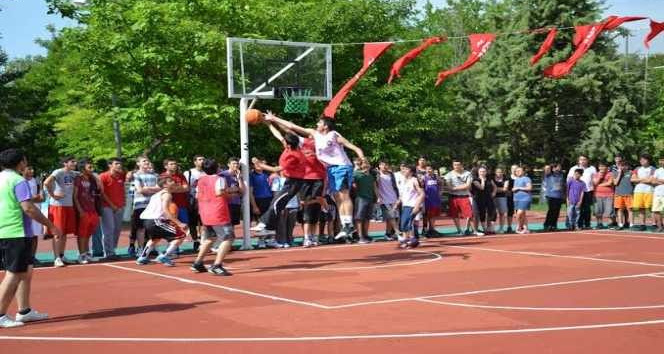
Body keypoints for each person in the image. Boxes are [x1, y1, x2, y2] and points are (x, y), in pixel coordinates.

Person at [262, 112, 365, 239]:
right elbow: (292, 127)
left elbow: (354, 147)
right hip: (330, 169)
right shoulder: (314, 135)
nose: (317, 124)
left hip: (342, 166)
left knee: (344, 195)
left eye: (320, 123)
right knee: (337, 197)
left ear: (326, 126)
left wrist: (362, 158)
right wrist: (273, 119)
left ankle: (348, 224)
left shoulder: (333, 135)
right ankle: (346, 225)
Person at [0, 148, 63, 328]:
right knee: (14, 274)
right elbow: (28, 208)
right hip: (16, 231)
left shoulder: (1, 178)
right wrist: (51, 225)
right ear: (21, 162)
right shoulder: (18, 181)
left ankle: (24, 311)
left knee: (25, 272)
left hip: (6, 230)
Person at [250, 125, 308, 236]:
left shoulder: (294, 156)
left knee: (276, 203)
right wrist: (268, 123)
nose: (283, 142)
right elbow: (278, 136)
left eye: (285, 142)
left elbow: (275, 169)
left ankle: (264, 223)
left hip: (294, 183)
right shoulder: (290, 147)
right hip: (290, 181)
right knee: (277, 203)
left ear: (289, 144)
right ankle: (270, 227)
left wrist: (259, 164)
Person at [190, 158, 234, 276]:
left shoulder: (200, 180)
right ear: (217, 168)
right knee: (228, 237)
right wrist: (231, 193)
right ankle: (217, 265)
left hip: (205, 211)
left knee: (210, 238)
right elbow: (219, 192)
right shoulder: (219, 179)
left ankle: (198, 263)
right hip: (218, 212)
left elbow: (197, 195)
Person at [136, 176, 188, 267]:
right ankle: (164, 256)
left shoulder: (156, 194)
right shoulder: (167, 194)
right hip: (156, 221)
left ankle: (142, 258)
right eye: (170, 181)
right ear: (164, 185)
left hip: (148, 221)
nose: (173, 182)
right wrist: (179, 223)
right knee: (181, 235)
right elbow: (165, 210)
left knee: (155, 239)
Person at [43, 156, 78, 267]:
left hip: (69, 205)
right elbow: (46, 183)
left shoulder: (73, 173)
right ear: (65, 163)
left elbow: (85, 174)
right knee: (58, 233)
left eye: (75, 161)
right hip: (58, 206)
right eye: (72, 161)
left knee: (64, 233)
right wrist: (53, 195)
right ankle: (56, 258)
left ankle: (62, 255)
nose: (75, 163)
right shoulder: (58, 172)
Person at [129, 156, 160, 257]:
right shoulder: (136, 175)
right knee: (141, 228)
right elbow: (140, 190)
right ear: (138, 163)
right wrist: (151, 189)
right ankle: (140, 249)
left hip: (153, 205)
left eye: (147, 160)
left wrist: (147, 188)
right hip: (140, 205)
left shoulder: (155, 175)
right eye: (144, 161)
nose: (147, 162)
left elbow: (159, 188)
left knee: (153, 228)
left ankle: (151, 248)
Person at [72, 159, 101, 264]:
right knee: (82, 234)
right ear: (82, 168)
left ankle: (87, 253)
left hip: (92, 209)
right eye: (90, 167)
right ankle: (81, 255)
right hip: (83, 210)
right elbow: (75, 196)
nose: (92, 169)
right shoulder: (78, 179)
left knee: (89, 232)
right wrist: (80, 210)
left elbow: (99, 190)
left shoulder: (92, 179)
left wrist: (96, 178)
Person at [99, 158, 127, 260]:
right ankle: (109, 253)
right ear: (110, 165)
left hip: (119, 206)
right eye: (116, 163)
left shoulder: (121, 176)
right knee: (109, 229)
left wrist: (122, 204)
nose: (119, 165)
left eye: (120, 163)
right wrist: (112, 205)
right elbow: (101, 193)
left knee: (117, 229)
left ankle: (112, 250)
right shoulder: (103, 176)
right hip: (107, 207)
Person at [444, 160, 479, 236]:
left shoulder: (467, 173)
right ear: (453, 166)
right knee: (455, 215)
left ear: (461, 165)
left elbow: (468, 186)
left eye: (458, 165)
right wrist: (461, 187)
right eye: (455, 165)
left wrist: (454, 188)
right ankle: (459, 230)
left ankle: (474, 231)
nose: (456, 166)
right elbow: (449, 186)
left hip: (465, 196)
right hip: (453, 197)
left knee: (469, 214)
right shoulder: (449, 175)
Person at [395, 165, 424, 248]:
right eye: (403, 169)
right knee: (404, 224)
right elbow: (402, 194)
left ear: (411, 171)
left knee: (406, 224)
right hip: (405, 205)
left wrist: (417, 206)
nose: (403, 170)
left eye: (406, 169)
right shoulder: (404, 181)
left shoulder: (414, 180)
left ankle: (410, 240)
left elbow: (422, 194)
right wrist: (398, 202)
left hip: (412, 205)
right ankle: (410, 240)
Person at [566, 155, 596, 229]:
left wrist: (594, 188)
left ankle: (587, 224)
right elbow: (568, 181)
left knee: (586, 209)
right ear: (578, 161)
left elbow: (594, 179)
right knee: (572, 210)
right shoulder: (573, 168)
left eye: (584, 159)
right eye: (581, 159)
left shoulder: (592, 168)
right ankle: (574, 225)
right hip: (575, 193)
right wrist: (567, 197)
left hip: (588, 191)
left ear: (587, 160)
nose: (582, 161)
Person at [21, 166, 44, 260]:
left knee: (35, 235)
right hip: (25, 211)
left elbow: (41, 197)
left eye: (32, 169)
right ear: (23, 170)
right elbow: (24, 198)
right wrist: (33, 198)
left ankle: (33, 256)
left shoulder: (36, 180)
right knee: (25, 236)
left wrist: (40, 197)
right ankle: (24, 256)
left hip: (36, 209)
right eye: (29, 169)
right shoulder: (20, 181)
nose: (32, 171)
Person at [353, 158, 377, 244]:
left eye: (367, 163)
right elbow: (353, 185)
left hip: (370, 198)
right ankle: (360, 236)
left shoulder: (371, 176)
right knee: (359, 218)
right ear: (360, 165)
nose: (366, 165)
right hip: (360, 198)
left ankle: (366, 235)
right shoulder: (356, 174)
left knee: (367, 218)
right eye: (364, 163)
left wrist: (377, 197)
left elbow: (374, 187)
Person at [184, 155, 205, 252]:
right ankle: (195, 240)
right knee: (192, 222)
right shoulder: (188, 173)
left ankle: (203, 241)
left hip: (204, 199)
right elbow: (185, 187)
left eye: (203, 159)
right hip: (192, 199)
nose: (202, 161)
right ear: (195, 162)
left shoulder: (206, 172)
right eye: (200, 160)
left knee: (204, 222)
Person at [630, 153, 656, 231]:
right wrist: (644, 179)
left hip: (649, 191)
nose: (641, 161)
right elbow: (632, 179)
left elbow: (650, 180)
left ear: (648, 160)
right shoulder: (637, 169)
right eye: (640, 159)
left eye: (643, 159)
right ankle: (642, 224)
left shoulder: (653, 169)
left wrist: (639, 179)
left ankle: (654, 224)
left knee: (651, 208)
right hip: (638, 191)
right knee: (641, 208)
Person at [376, 161, 399, 240]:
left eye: (386, 164)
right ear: (379, 166)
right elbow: (375, 186)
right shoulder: (377, 174)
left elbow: (395, 186)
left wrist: (398, 196)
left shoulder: (391, 174)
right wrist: (378, 197)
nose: (385, 166)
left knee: (392, 217)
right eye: (383, 165)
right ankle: (398, 232)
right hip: (384, 199)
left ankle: (388, 233)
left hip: (394, 198)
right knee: (391, 216)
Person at [219, 158, 245, 227]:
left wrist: (239, 178)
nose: (236, 165)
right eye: (234, 163)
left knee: (233, 224)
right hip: (226, 203)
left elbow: (242, 191)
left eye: (237, 164)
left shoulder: (239, 175)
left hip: (236, 203)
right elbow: (223, 189)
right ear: (228, 165)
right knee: (225, 225)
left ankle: (232, 237)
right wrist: (236, 189)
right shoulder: (222, 175)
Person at [472, 166, 497, 234]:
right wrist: (482, 180)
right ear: (478, 172)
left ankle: (490, 228)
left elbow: (495, 187)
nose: (482, 173)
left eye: (484, 171)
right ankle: (484, 229)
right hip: (479, 198)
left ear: (486, 172)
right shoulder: (475, 180)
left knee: (493, 212)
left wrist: (494, 192)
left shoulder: (489, 179)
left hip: (489, 197)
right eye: (480, 171)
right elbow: (482, 188)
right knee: (482, 213)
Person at [542, 163, 565, 231]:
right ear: (553, 168)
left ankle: (554, 225)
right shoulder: (549, 175)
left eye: (560, 167)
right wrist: (551, 167)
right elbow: (546, 170)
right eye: (558, 167)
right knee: (551, 210)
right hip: (551, 195)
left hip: (559, 196)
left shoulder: (561, 175)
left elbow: (562, 185)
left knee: (557, 211)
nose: (559, 168)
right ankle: (547, 224)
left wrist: (563, 195)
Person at [612, 160, 634, 230]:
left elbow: (634, 181)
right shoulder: (615, 173)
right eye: (621, 165)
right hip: (619, 194)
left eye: (624, 165)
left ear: (627, 166)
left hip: (628, 194)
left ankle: (631, 224)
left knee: (630, 209)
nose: (623, 167)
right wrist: (619, 173)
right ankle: (620, 224)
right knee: (619, 210)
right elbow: (615, 183)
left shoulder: (631, 173)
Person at [592, 162, 614, 229]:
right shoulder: (595, 174)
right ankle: (599, 224)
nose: (602, 168)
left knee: (610, 210)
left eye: (603, 166)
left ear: (606, 167)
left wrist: (599, 185)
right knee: (598, 210)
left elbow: (610, 183)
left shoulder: (610, 174)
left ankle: (610, 224)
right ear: (598, 167)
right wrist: (600, 176)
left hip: (609, 195)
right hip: (597, 195)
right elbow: (595, 183)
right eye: (600, 166)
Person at [512, 166, 532, 234]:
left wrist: (519, 188)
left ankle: (519, 226)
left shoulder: (526, 179)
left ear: (523, 172)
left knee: (519, 213)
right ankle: (526, 228)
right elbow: (514, 188)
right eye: (516, 171)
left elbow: (529, 188)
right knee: (523, 215)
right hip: (517, 199)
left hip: (525, 198)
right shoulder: (516, 180)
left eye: (519, 171)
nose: (518, 172)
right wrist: (514, 189)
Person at [423, 165, 442, 236]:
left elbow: (441, 184)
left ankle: (432, 229)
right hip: (427, 199)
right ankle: (427, 230)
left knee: (434, 215)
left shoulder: (436, 177)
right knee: (427, 215)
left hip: (435, 199)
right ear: (425, 170)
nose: (429, 170)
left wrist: (440, 191)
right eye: (427, 169)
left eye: (430, 169)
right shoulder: (424, 178)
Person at [493, 168, 509, 233]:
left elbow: (505, 189)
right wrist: (499, 189)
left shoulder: (505, 179)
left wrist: (495, 189)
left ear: (502, 172)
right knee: (492, 213)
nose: (499, 173)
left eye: (500, 172)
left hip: (502, 197)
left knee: (502, 213)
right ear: (495, 172)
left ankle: (501, 228)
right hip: (493, 197)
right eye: (497, 172)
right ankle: (492, 228)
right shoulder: (492, 178)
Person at [505, 164, 519, 233]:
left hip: (519, 196)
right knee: (510, 212)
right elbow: (506, 187)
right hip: (510, 196)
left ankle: (519, 226)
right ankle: (509, 226)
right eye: (513, 168)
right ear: (511, 170)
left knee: (519, 212)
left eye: (515, 168)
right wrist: (508, 191)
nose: (514, 170)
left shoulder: (520, 177)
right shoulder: (508, 177)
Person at [653, 157, 664, 233]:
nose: (661, 162)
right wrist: (662, 181)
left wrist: (658, 180)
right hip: (657, 193)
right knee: (656, 210)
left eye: (663, 160)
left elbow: (655, 180)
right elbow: (652, 181)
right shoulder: (657, 170)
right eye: (660, 160)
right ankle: (660, 227)